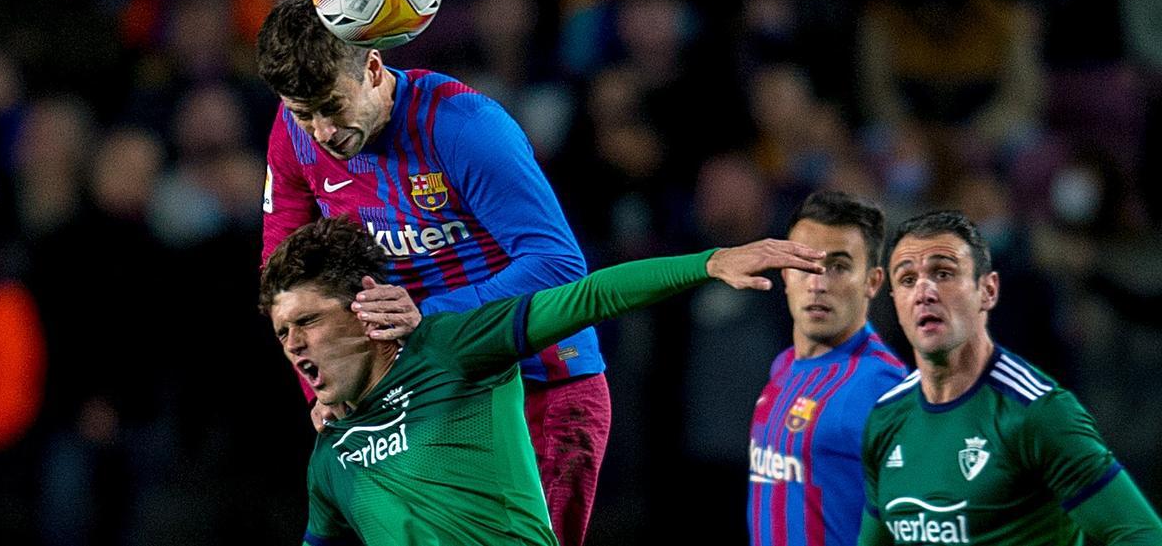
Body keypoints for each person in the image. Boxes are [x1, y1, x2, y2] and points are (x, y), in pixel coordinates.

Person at [256, 0, 609, 545]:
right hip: (414, 397)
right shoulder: (295, 132)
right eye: (305, 114)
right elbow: (284, 279)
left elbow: (560, 267)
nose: (323, 132)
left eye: (331, 106)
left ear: (373, 68)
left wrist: (428, 313)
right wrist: (321, 394)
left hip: (538, 383)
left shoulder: (465, 127)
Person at [260, 215, 826, 546]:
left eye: (307, 321)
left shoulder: (452, 349)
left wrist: (708, 263)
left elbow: (589, 295)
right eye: (283, 331)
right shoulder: (328, 460)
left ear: (363, 305)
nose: (293, 344)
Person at [860, 210, 1162, 545]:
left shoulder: (1037, 412)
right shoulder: (885, 418)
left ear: (987, 290)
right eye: (907, 280)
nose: (924, 292)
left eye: (943, 273)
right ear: (895, 302)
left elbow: (1141, 533)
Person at [748, 191, 907, 546]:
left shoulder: (883, 388)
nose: (817, 284)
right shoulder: (785, 366)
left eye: (839, 266)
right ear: (785, 273)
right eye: (804, 265)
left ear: (873, 281)